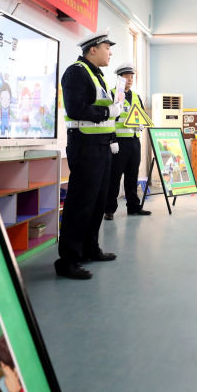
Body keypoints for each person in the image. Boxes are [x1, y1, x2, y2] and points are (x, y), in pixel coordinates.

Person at [57, 29, 121, 280]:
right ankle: (68, 260)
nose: (110, 52)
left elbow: (104, 109)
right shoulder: (76, 72)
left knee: (97, 201)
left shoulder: (97, 75)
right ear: (92, 49)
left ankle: (90, 248)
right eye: (107, 47)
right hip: (85, 144)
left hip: (101, 144)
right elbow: (75, 108)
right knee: (81, 202)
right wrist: (108, 113)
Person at [104, 62, 151, 219]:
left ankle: (134, 207)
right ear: (119, 78)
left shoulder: (136, 97)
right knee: (114, 177)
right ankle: (109, 210)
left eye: (132, 77)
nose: (130, 79)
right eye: (126, 76)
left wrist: (141, 126)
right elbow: (108, 120)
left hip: (134, 142)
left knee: (132, 176)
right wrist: (112, 140)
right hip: (118, 143)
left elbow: (142, 117)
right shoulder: (111, 94)